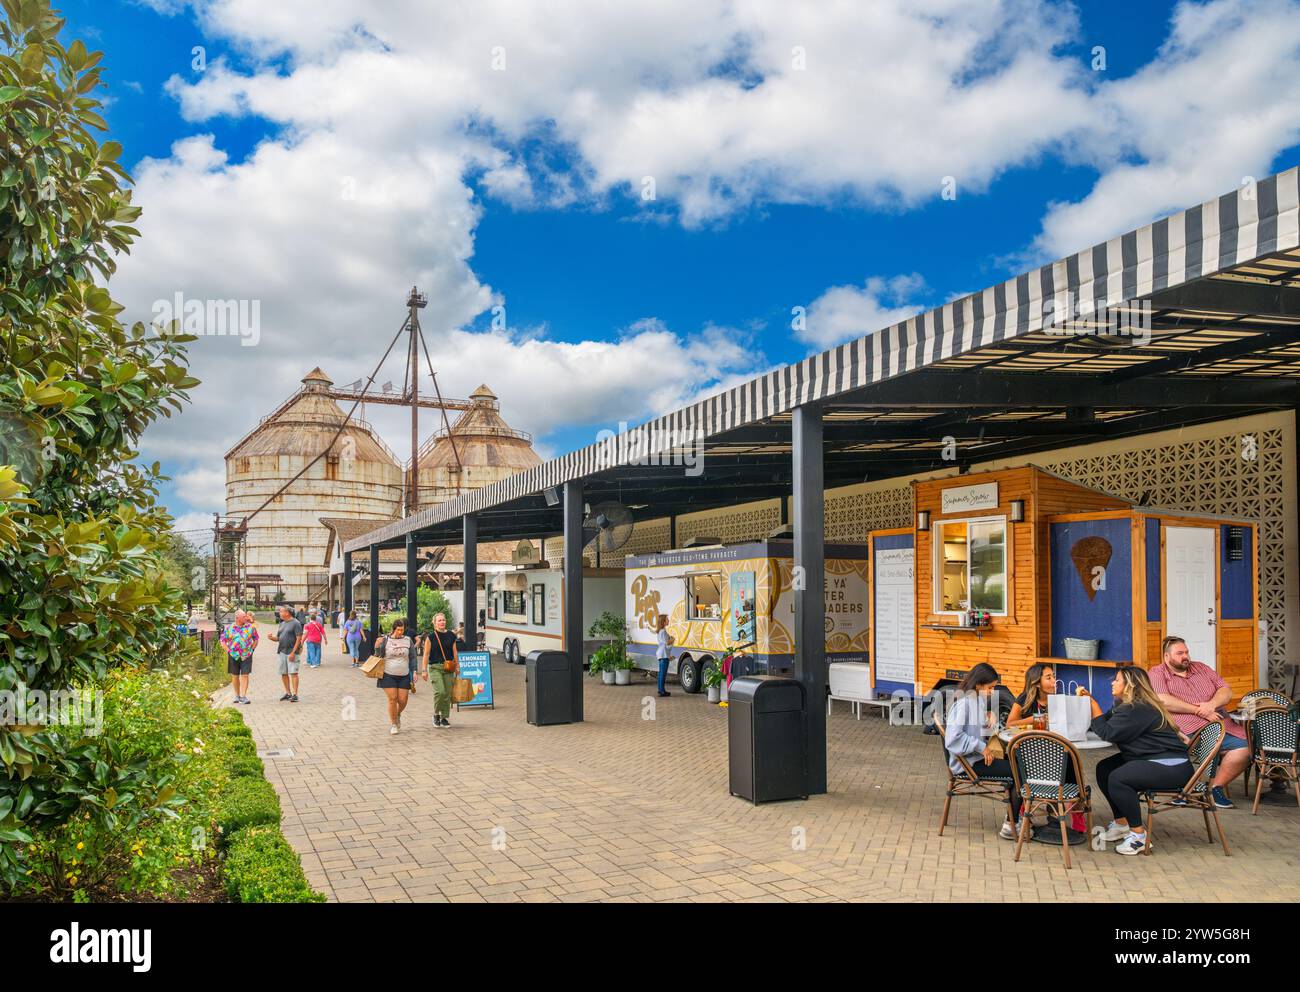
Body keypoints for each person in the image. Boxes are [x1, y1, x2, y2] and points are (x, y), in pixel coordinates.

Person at [1082, 666, 1192, 855]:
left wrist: (1092, 704)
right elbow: (1103, 724)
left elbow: (1107, 733)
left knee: (1118, 778)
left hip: (1170, 765)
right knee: (1105, 768)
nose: (1112, 683)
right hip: (1151, 758)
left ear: (1129, 685)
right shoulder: (1125, 706)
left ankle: (1139, 837)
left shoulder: (1137, 709)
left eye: (1117, 680)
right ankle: (1122, 823)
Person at [1148, 635, 1249, 809]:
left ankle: (1214, 788)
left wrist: (1211, 705)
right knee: (1196, 746)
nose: (1185, 656)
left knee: (1245, 748)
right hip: (1187, 728)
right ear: (1166, 656)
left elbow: (1226, 690)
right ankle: (1189, 788)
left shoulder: (1201, 668)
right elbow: (1163, 700)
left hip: (1220, 723)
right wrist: (1198, 710)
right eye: (1180, 653)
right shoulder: (1157, 673)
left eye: (1186, 652)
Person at [943, 662, 1021, 839]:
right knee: (1019, 771)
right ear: (978, 684)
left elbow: (973, 724)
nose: (992, 692)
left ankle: (1016, 815)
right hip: (967, 764)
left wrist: (988, 714)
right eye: (990, 687)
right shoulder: (964, 703)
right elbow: (953, 738)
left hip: (974, 758)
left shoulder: (975, 699)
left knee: (1018, 762)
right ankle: (1011, 823)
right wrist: (982, 747)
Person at [375, 619, 416, 734]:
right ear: (394, 629)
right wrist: (377, 646)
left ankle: (397, 714)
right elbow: (378, 655)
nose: (400, 632)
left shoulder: (408, 640)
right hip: (388, 674)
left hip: (404, 674)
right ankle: (393, 724)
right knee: (393, 699)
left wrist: (415, 671)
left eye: (402, 630)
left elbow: (412, 657)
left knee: (402, 700)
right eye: (398, 630)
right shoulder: (385, 640)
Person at [422, 612, 459, 728]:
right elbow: (426, 654)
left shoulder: (451, 635)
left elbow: (454, 652)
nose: (442, 622)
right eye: (439, 620)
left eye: (443, 620)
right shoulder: (431, 637)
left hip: (448, 667)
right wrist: (424, 670)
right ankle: (436, 714)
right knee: (440, 692)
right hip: (435, 667)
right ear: (434, 623)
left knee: (447, 693)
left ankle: (444, 717)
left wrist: (457, 666)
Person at [220, 610, 258, 705]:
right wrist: (228, 650)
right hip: (233, 655)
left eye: (246, 616)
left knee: (245, 675)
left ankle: (243, 696)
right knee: (235, 675)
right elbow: (222, 640)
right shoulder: (229, 628)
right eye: (244, 616)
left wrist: (252, 650)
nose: (246, 618)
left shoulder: (250, 627)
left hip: (246, 655)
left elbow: (256, 639)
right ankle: (237, 695)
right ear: (237, 618)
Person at [1007, 662, 1055, 728]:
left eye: (1054, 676)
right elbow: (1009, 725)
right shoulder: (1024, 698)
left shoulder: (1058, 698)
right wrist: (1033, 719)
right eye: (1048, 678)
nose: (1054, 680)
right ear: (1037, 683)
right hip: (1031, 737)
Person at [274, 605, 304, 702]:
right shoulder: (282, 623)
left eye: (281, 611)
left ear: (287, 613)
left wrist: (293, 652)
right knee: (283, 673)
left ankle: (295, 694)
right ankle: (288, 693)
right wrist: (271, 638)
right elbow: (278, 638)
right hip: (282, 651)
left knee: (293, 673)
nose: (280, 613)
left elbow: (299, 638)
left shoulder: (296, 623)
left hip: (292, 652)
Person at [655, 614, 673, 698]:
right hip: (663, 654)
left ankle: (660, 689)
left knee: (661, 673)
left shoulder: (661, 631)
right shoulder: (663, 632)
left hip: (662, 654)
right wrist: (672, 639)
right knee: (663, 673)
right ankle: (662, 691)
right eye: (667, 619)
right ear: (663, 621)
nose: (668, 620)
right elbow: (667, 643)